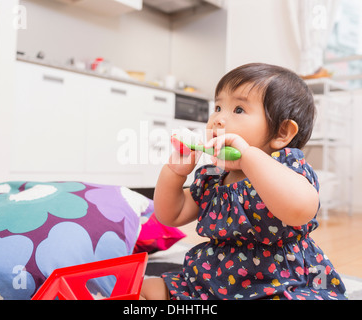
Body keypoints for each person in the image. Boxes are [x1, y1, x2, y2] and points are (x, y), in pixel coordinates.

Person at [140, 63, 347, 300]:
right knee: (150, 287)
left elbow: (301, 210)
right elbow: (171, 215)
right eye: (217, 107)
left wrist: (249, 157)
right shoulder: (214, 177)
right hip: (214, 278)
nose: (217, 119)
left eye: (238, 109)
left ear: (281, 133)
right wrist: (174, 173)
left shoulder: (287, 168)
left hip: (281, 280)